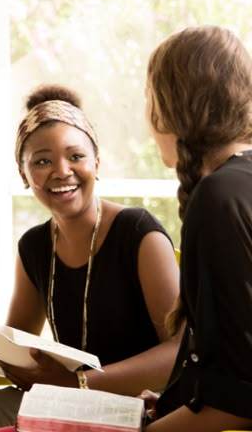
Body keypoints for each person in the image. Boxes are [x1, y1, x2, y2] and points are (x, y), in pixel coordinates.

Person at [0, 85, 180, 432]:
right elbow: (18, 346)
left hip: (143, 407)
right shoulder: (34, 246)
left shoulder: (138, 231)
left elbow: (179, 352)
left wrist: (78, 383)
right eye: (42, 161)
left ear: (97, 163)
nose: (61, 171)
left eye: (75, 156)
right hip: (68, 405)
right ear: (24, 175)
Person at [142, 26, 252, 430]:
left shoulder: (219, 198)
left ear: (170, 108)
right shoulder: (237, 186)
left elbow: (241, 401)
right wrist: (178, 397)